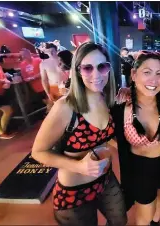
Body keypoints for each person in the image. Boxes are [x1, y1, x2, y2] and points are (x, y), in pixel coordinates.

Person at [32, 42, 127, 226]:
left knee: (119, 221)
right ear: (77, 71)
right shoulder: (66, 107)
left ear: (109, 68)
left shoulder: (106, 98)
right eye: (87, 68)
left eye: (102, 66)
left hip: (106, 180)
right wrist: (79, 167)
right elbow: (38, 152)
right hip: (74, 192)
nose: (96, 75)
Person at [111, 52, 160, 225]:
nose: (154, 79)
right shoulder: (122, 106)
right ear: (134, 75)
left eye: (159, 73)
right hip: (139, 168)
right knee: (144, 211)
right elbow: (106, 136)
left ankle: (156, 222)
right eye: (147, 72)